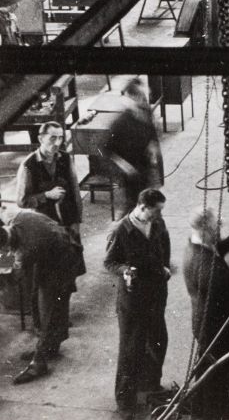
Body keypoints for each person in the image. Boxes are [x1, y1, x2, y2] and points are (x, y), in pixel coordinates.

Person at [104, 188, 175, 416]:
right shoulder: (121, 231)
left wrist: (165, 267)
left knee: (158, 341)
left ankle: (150, 387)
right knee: (130, 351)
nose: (159, 215)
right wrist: (125, 270)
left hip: (156, 296)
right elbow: (109, 262)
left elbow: (165, 246)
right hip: (133, 301)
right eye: (156, 210)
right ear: (142, 207)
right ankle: (125, 402)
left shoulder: (158, 223)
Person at [0, 210, 84, 383]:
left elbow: (14, 277)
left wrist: (2, 268)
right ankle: (50, 346)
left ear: (6, 246)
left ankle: (39, 362)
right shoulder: (14, 216)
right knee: (35, 299)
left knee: (49, 308)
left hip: (63, 259)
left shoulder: (26, 250)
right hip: (50, 250)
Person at [182, 208, 229, 420]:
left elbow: (224, 245)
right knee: (220, 375)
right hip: (216, 327)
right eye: (216, 226)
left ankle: (200, 412)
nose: (219, 230)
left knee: (206, 370)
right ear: (205, 229)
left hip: (204, 324)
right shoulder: (208, 267)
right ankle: (216, 415)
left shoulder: (196, 246)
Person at [103, 80, 163, 218]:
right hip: (132, 175)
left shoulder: (146, 112)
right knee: (134, 209)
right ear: (132, 97)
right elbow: (105, 149)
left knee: (152, 206)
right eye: (142, 96)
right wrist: (124, 166)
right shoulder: (121, 122)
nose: (145, 99)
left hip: (147, 168)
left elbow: (152, 134)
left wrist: (153, 146)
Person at [16, 121, 83, 237]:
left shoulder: (66, 159)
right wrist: (46, 195)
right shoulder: (28, 165)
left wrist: (77, 221)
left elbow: (75, 192)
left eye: (60, 138)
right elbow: (22, 201)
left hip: (68, 219)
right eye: (53, 138)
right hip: (44, 223)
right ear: (41, 139)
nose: (57, 143)